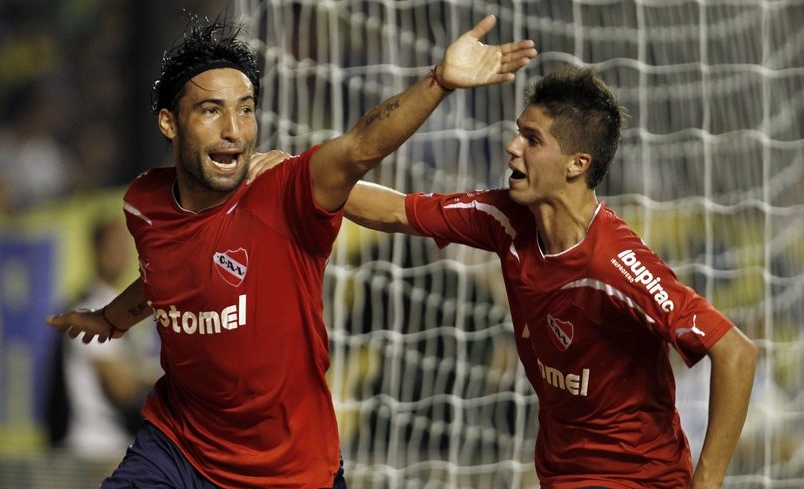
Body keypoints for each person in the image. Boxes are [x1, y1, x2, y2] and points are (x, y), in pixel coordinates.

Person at [46, 12, 537, 489]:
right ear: (169, 124)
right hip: (178, 448)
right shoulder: (144, 204)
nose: (234, 130)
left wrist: (440, 82)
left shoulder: (285, 192)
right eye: (211, 110)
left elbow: (361, 146)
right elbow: (170, 275)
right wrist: (113, 318)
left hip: (288, 472)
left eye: (245, 108)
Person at [342, 66, 758, 488]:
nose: (511, 147)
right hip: (559, 474)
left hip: (637, 478)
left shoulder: (616, 264)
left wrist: (707, 481)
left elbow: (736, 353)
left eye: (532, 139)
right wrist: (304, 177)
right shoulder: (504, 218)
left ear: (577, 164)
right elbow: (395, 210)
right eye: (518, 132)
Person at [48, 217, 160, 468]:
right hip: (92, 449)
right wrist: (162, 378)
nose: (119, 255)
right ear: (95, 250)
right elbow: (121, 387)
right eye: (113, 247)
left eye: (124, 248)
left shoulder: (122, 306)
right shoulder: (89, 310)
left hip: (118, 444)